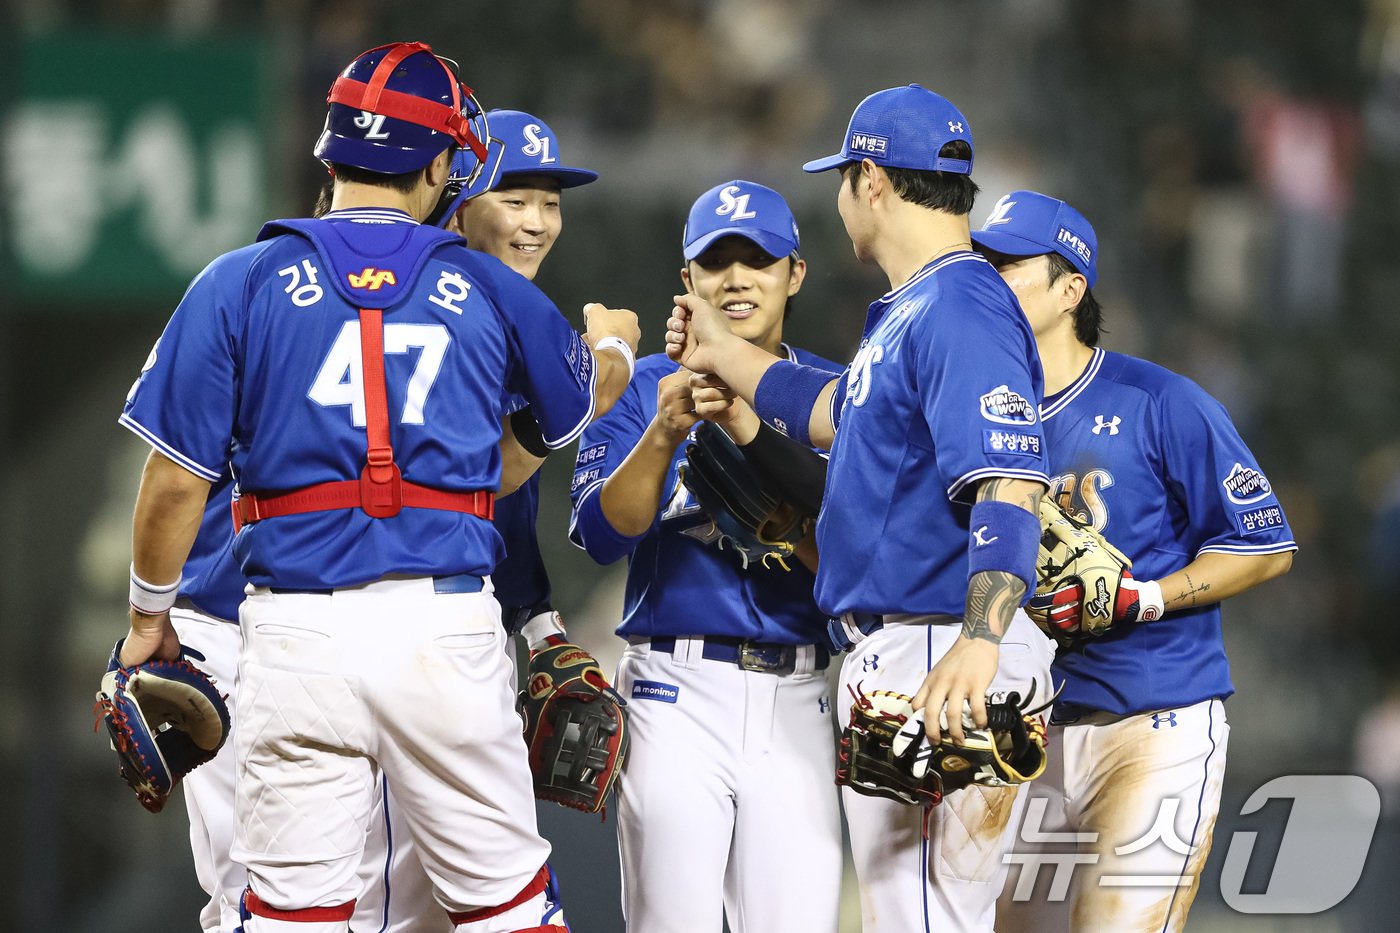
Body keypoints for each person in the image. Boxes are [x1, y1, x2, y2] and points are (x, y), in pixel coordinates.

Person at [116, 41, 639, 933]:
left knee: (291, 915)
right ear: (440, 165)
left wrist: (144, 623)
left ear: (330, 155)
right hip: (442, 627)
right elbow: (542, 433)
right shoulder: (488, 285)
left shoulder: (238, 281)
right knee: (510, 909)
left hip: (293, 630)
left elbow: (171, 485)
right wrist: (617, 356)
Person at [663, 86, 1055, 931]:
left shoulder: (959, 302)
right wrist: (722, 352)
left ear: (870, 179)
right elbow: (839, 411)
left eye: (843, 178)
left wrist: (980, 642)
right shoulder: (921, 308)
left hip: (939, 645)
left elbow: (1012, 480)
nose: (840, 195)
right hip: (917, 641)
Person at [971, 190, 1295, 931]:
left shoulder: (1159, 400)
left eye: (1009, 266)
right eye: (983, 264)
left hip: (1154, 720)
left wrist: (1144, 596)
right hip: (1024, 731)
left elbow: (1265, 545)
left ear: (1070, 288)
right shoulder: (975, 411)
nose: (990, 280)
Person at [569, 179, 844, 932]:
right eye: (715, 262)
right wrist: (662, 432)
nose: (735, 279)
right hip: (675, 692)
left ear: (794, 273)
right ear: (687, 279)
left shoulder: (830, 395)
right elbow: (599, 536)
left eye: (756, 260)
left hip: (799, 693)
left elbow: (859, 559)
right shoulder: (646, 386)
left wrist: (769, 458)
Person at [354, 108, 603, 933]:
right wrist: (610, 367)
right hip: (390, 621)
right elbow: (482, 479)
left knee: (436, 903)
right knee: (400, 901)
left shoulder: (499, 313)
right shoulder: (428, 308)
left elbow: (508, 509)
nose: (536, 221)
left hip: (445, 629)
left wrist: (537, 623)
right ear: (456, 197)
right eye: (514, 196)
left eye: (551, 203)